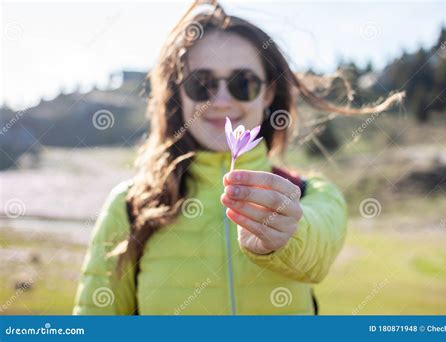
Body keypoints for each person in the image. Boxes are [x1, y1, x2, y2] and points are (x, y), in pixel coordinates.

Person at [73, 0, 403, 315]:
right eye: (200, 84)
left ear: (268, 93)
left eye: (242, 83)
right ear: (179, 95)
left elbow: (317, 245)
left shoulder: (310, 193)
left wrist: (286, 235)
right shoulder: (129, 207)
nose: (220, 100)